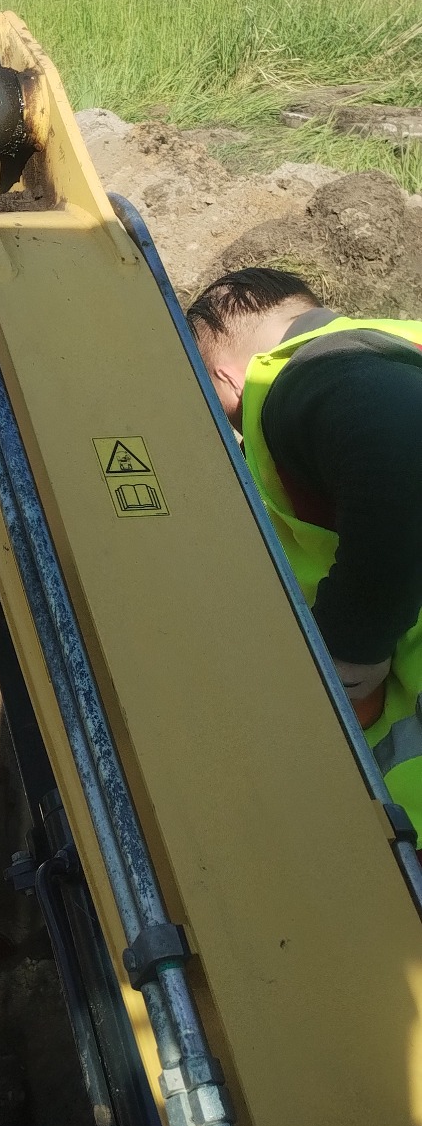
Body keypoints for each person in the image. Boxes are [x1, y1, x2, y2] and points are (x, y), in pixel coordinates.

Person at [187, 266, 422, 836]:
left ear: (224, 377)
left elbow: (398, 452)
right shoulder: (396, 342)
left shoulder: (307, 372)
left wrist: (351, 658)